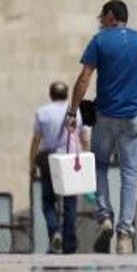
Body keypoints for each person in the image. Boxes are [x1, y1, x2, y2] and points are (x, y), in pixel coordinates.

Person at [66, 0, 137, 255]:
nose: (101, 22)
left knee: (100, 165)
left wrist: (72, 111)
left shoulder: (100, 41)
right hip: (133, 119)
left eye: (102, 17)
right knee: (130, 175)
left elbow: (84, 78)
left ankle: (104, 217)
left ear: (112, 16)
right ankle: (125, 235)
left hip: (105, 117)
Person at [29, 81, 91, 254]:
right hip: (70, 159)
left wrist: (32, 163)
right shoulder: (77, 111)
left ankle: (55, 231)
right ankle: (69, 245)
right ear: (66, 94)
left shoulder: (42, 112)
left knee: (48, 201)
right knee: (70, 202)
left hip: (48, 158)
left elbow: (36, 140)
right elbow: (84, 137)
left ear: (51, 94)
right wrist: (85, 158)